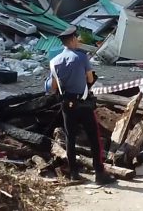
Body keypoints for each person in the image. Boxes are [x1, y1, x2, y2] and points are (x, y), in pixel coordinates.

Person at [46, 26, 116, 185]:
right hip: (83, 104)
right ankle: (99, 173)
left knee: (70, 139)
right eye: (76, 38)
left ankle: (74, 174)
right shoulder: (81, 57)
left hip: (67, 105)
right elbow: (90, 80)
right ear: (71, 40)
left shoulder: (54, 62)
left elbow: (53, 87)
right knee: (94, 138)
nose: (78, 40)